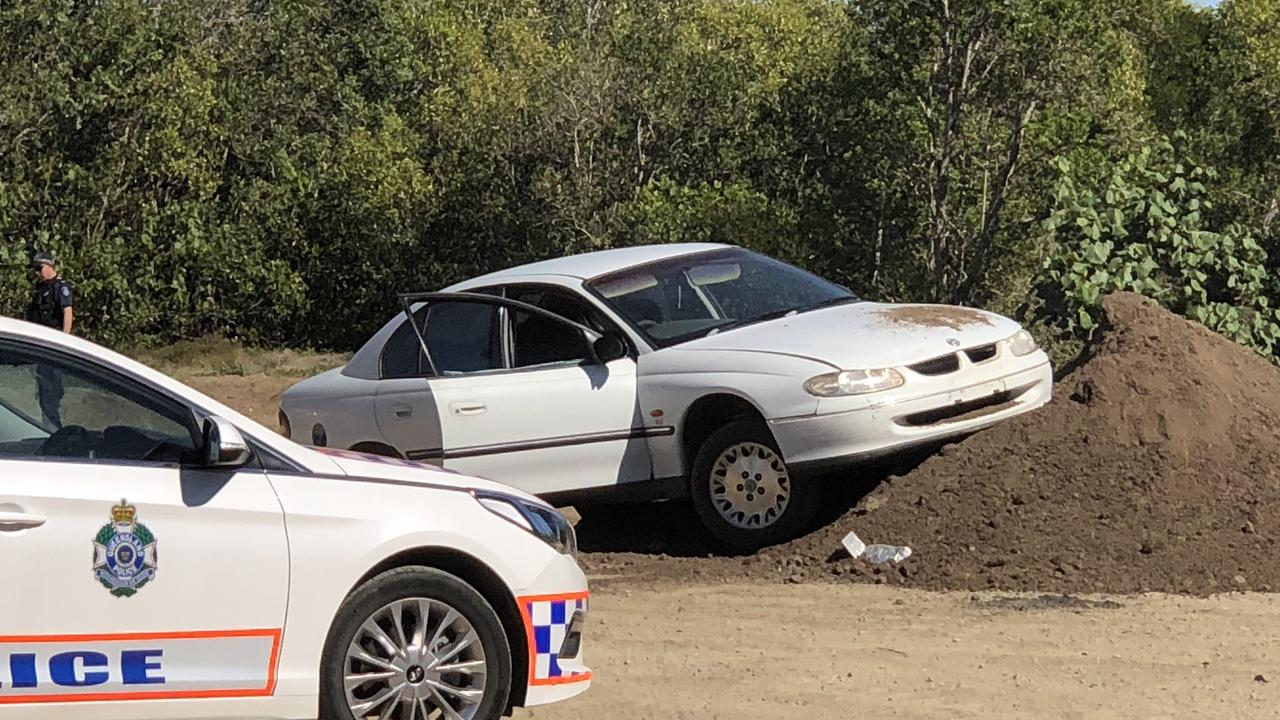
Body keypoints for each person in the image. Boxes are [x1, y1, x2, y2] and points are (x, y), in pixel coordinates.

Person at [26, 251, 74, 427]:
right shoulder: (41, 289)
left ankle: (54, 429)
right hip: (40, 345)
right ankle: (48, 426)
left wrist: (63, 342)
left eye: (39, 268)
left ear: (49, 266)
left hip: (53, 345)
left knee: (51, 392)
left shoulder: (60, 287)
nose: (37, 273)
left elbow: (67, 313)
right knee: (44, 393)